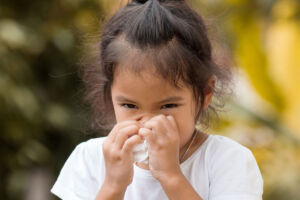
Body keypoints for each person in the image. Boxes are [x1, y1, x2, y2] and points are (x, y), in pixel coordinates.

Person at [51, 0, 264, 199]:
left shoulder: (227, 160)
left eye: (168, 105)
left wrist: (171, 176)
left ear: (205, 93)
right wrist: (113, 185)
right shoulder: (90, 159)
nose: (148, 123)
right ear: (109, 95)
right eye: (129, 105)